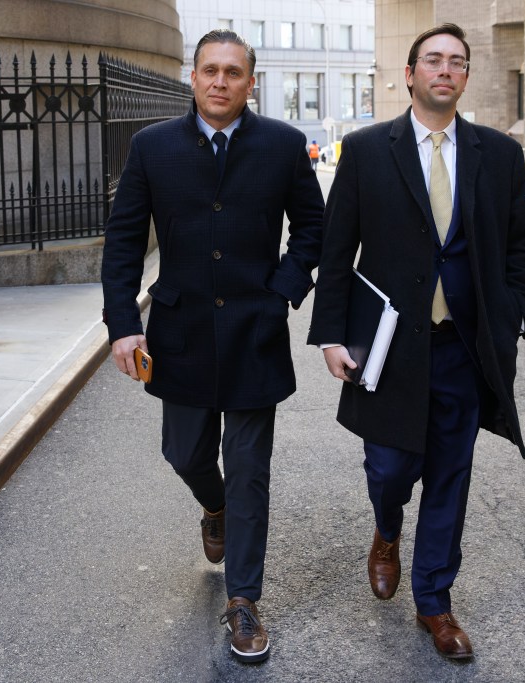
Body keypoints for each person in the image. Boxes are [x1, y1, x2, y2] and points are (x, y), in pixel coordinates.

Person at [307, 23, 525, 659]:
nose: (445, 70)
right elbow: (337, 248)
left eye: (456, 62)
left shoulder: (499, 155)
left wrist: (514, 309)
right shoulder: (366, 150)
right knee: (389, 468)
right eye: (432, 60)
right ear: (409, 74)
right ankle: (386, 528)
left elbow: (520, 244)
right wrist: (330, 335)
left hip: (465, 346)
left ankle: (434, 601)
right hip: (387, 346)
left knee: (450, 475)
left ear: (466, 77)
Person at [100, 29, 324, 664]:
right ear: (192, 77)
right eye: (210, 71)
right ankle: (213, 503)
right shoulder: (151, 148)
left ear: (251, 82)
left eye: (233, 72)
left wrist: (280, 288)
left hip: (256, 334)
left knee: (252, 471)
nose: (220, 81)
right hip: (181, 334)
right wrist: (124, 324)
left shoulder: (282, 146)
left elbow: (314, 228)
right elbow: (121, 244)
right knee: (185, 452)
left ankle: (244, 600)